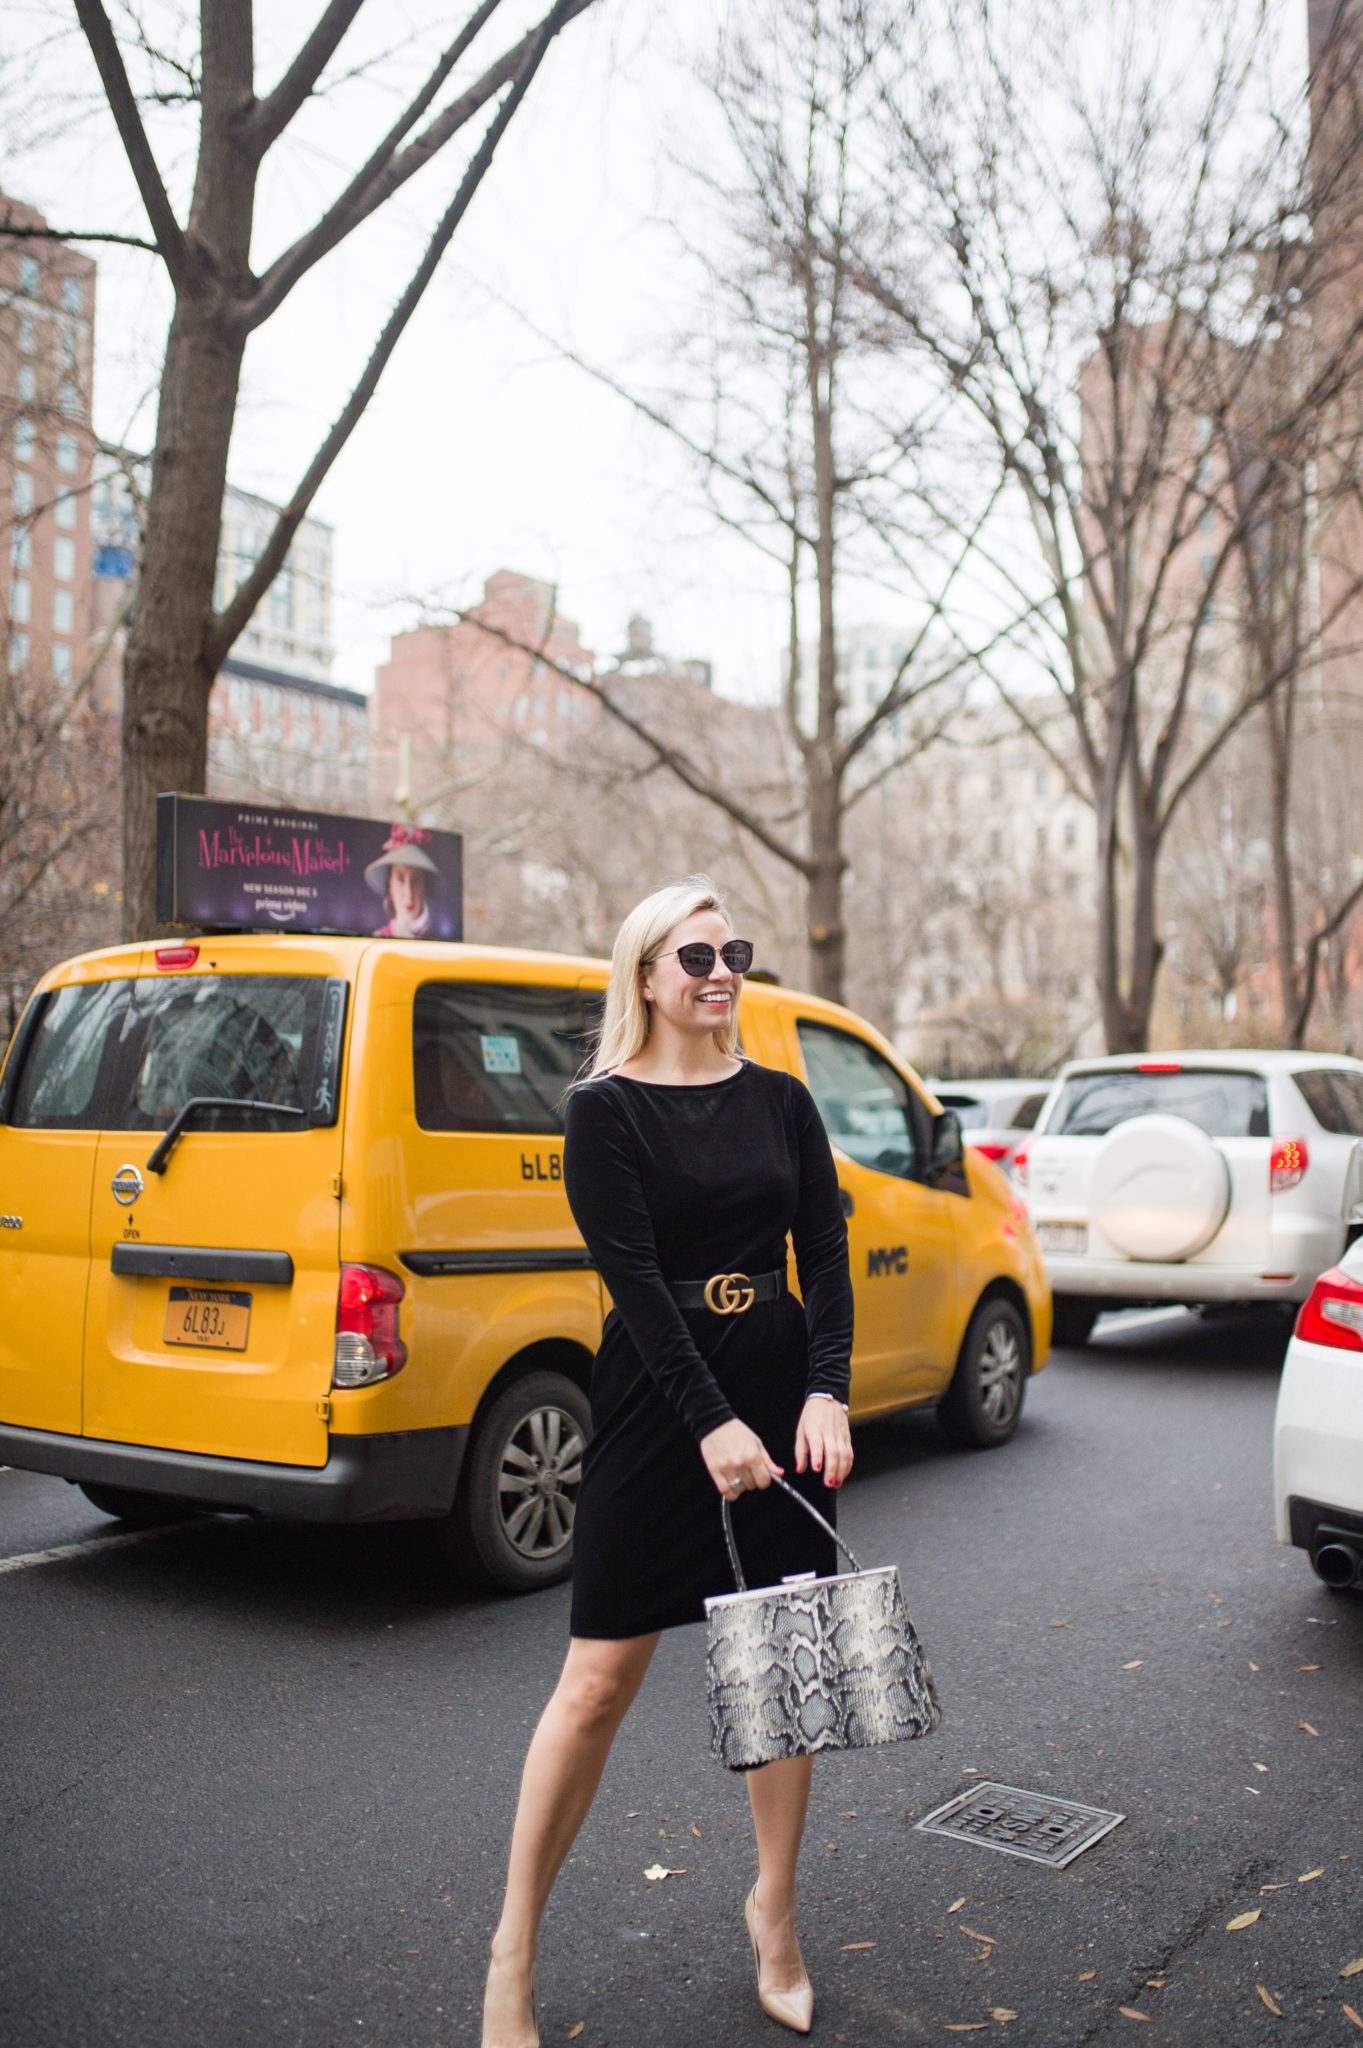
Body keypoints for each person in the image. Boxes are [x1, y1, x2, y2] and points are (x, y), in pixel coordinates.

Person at [481, 877, 855, 2048]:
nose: (720, 970)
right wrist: (709, 1422)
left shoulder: (784, 1099)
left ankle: (776, 1916)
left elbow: (825, 1252)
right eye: (696, 953)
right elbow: (635, 1287)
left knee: (783, 1671)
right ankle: (513, 1951)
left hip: (779, 1391)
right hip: (659, 1403)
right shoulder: (602, 1111)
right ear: (644, 973)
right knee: (595, 1681)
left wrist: (825, 1387)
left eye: (732, 950)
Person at [364, 823, 440, 937]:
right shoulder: (378, 938)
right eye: (400, 878)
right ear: (390, 885)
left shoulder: (437, 943)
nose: (408, 893)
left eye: (416, 881)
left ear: (424, 886)